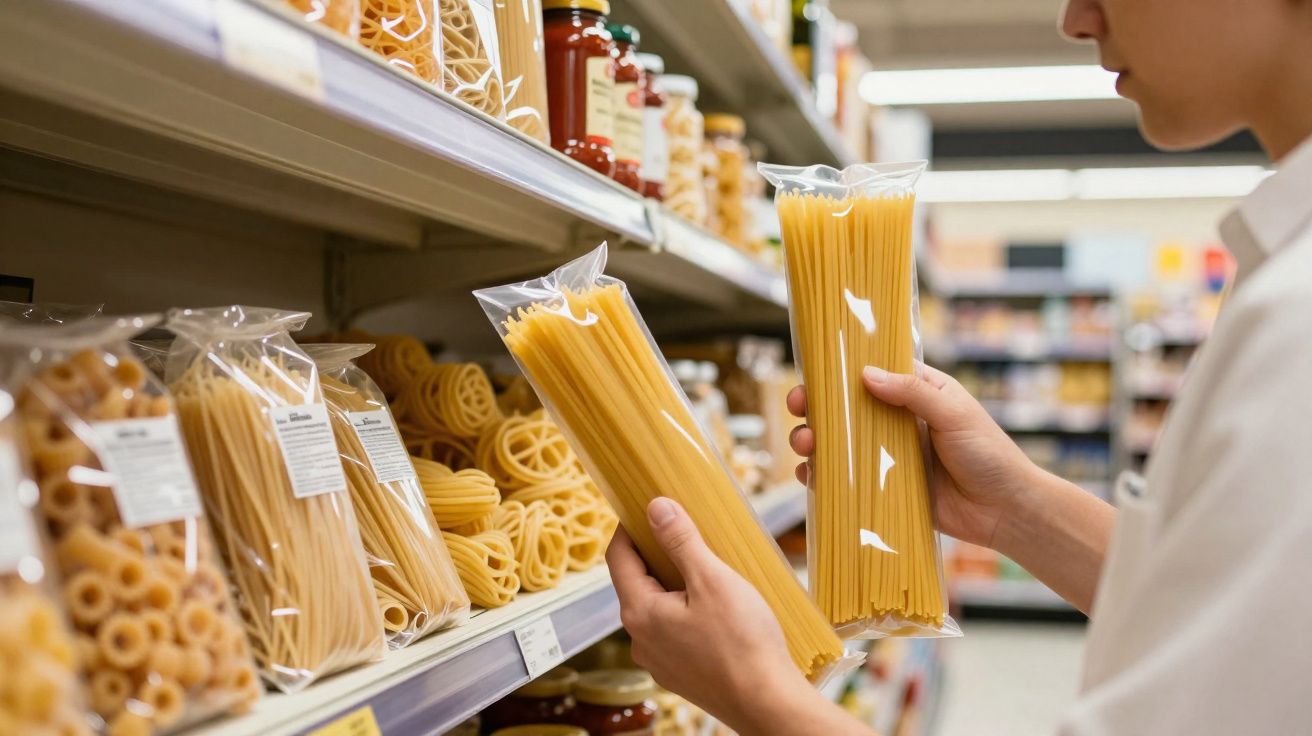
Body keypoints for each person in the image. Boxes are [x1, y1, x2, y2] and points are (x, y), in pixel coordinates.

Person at [605, 0, 1312, 733]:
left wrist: (755, 692)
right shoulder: (1283, 278)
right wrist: (1014, 510)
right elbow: (1228, 599)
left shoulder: (1298, 320)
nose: (1076, 18)